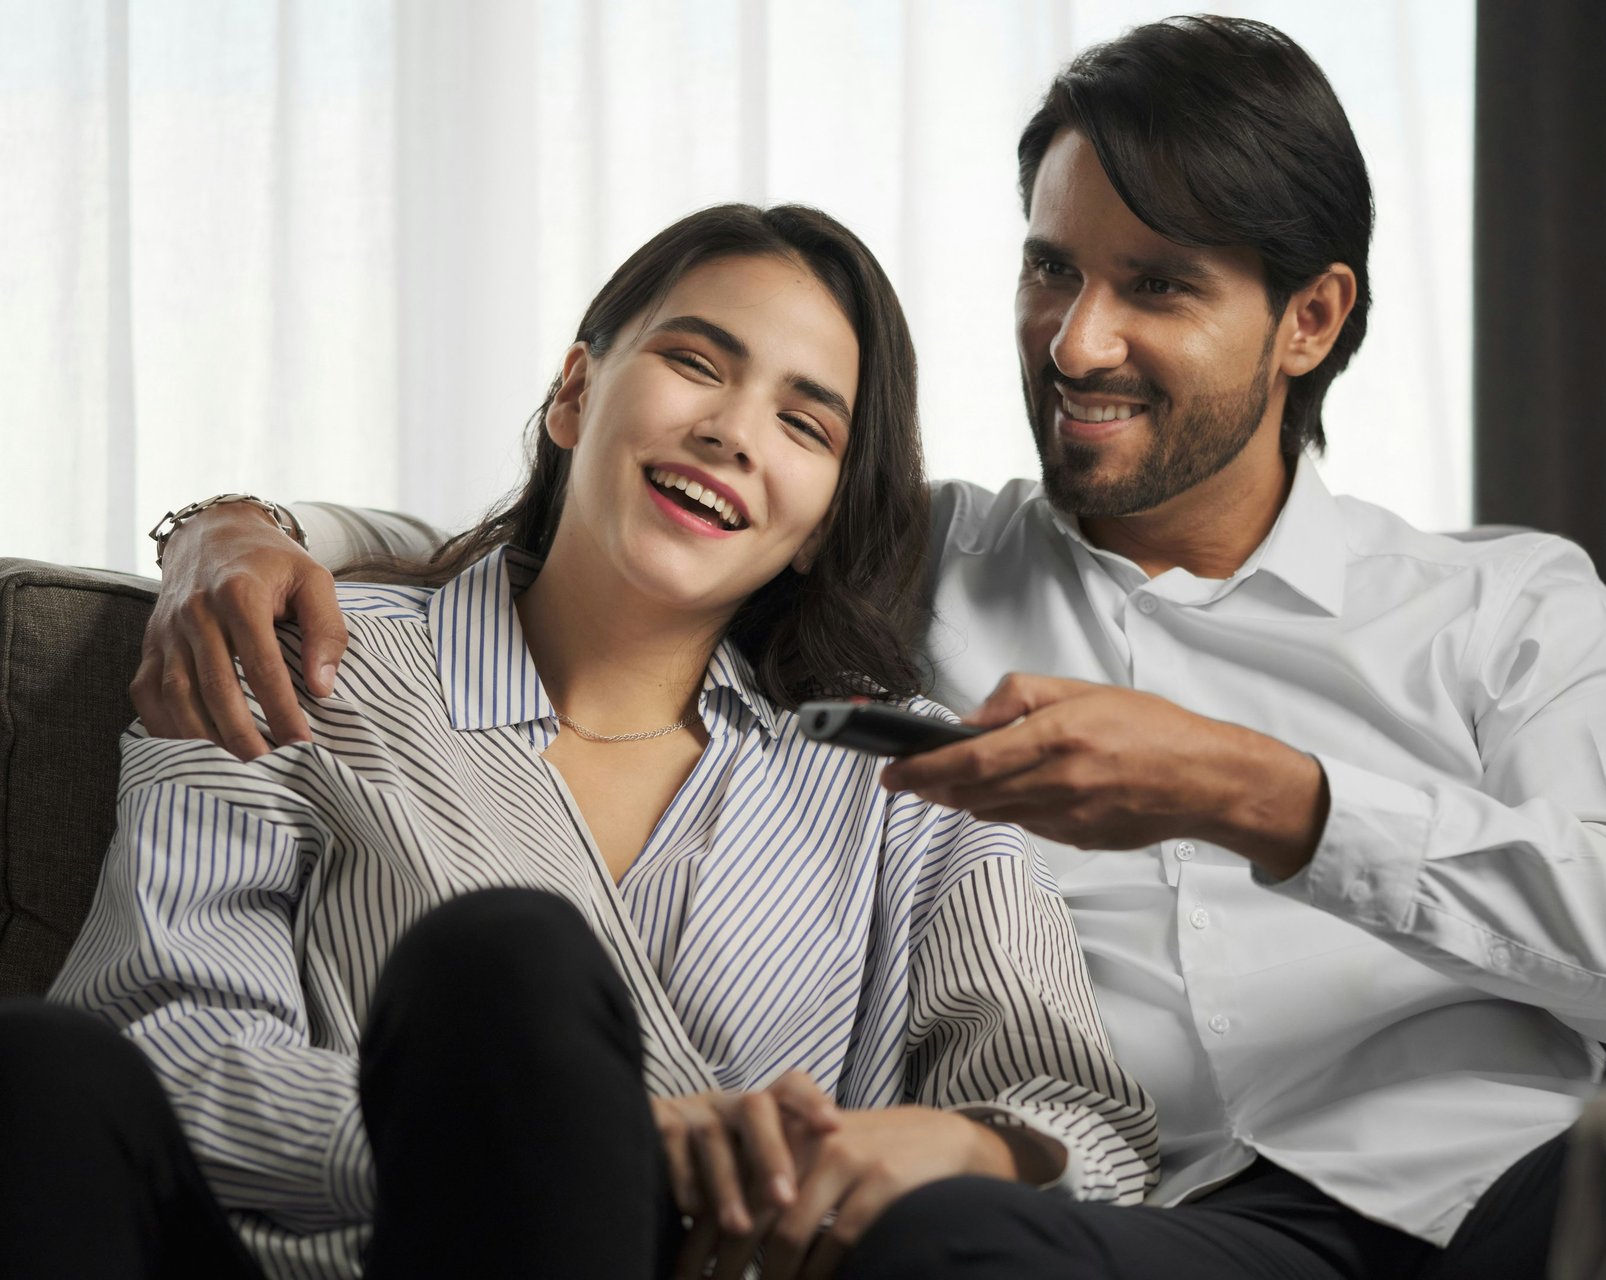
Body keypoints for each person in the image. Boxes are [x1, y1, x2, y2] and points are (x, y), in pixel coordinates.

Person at [117, 15, 1606, 1280]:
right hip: (1162, 1238)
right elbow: (599, 518)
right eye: (1052, 272)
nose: (1078, 338)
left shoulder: (1515, 604)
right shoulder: (916, 556)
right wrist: (239, 532)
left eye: (1159, 285)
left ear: (1312, 319)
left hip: (1522, 1203)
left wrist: (1266, 796)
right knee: (946, 1234)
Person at [0, 203, 1156, 1280]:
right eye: (696, 362)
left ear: (821, 524)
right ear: (574, 393)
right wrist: (576, 1137)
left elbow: (1084, 1124)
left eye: (804, 423)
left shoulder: (909, 782)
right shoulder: (295, 659)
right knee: (48, 1068)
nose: (730, 432)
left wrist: (950, 1146)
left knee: (507, 957)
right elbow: (167, 1047)